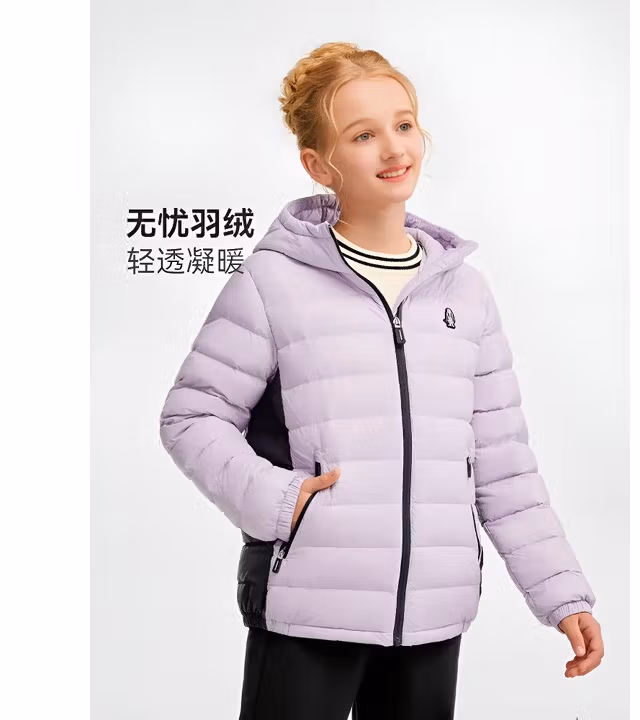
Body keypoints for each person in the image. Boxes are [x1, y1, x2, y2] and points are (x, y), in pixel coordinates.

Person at [159, 41, 604, 720]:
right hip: (309, 609)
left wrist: (561, 594)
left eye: (403, 124)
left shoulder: (466, 294)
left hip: (433, 617)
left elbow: (504, 465)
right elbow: (192, 417)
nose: (394, 148)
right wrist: (282, 503)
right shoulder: (274, 281)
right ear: (319, 164)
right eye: (363, 135)